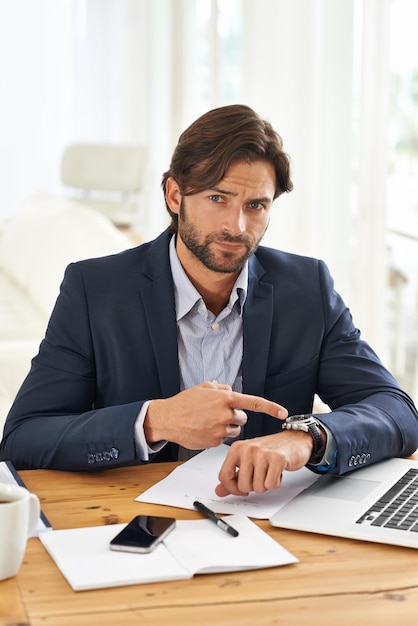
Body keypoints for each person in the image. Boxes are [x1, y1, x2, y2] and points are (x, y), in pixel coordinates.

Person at [1, 104, 417, 498]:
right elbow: (23, 438)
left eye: (255, 205)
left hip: (268, 517)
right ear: (175, 196)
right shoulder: (94, 289)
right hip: (135, 519)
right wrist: (155, 421)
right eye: (218, 198)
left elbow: (397, 412)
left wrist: (305, 437)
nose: (236, 226)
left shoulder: (307, 288)